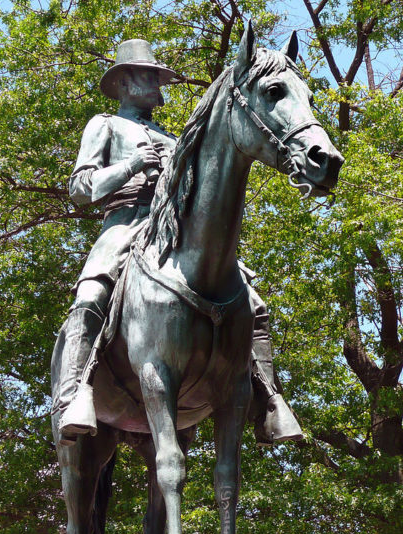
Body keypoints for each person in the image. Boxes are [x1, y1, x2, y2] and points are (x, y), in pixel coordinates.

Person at [53, 39, 303, 447]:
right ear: (123, 83)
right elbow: (81, 188)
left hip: (174, 234)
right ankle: (73, 396)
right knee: (91, 294)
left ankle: (269, 397)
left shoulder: (173, 137)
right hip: (124, 226)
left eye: (157, 75)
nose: (157, 82)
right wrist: (132, 166)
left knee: (253, 303)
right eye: (147, 75)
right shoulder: (106, 125)